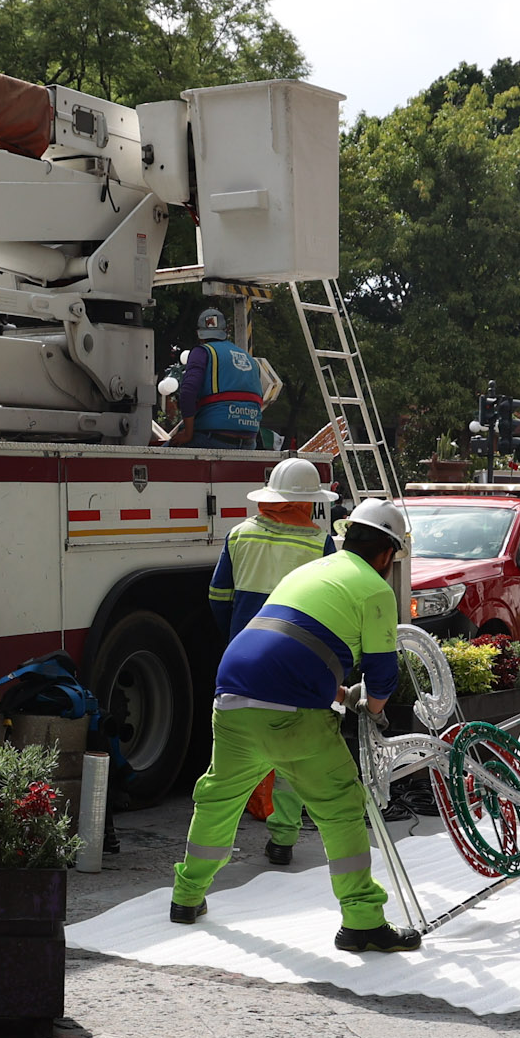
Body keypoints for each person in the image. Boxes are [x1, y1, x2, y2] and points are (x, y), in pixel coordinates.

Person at [174, 497, 420, 953]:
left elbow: (295, 643)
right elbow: (384, 676)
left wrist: (341, 693)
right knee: (341, 806)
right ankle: (363, 921)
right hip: (291, 714)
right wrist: (373, 708)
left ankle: (186, 897)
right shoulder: (373, 589)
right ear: (387, 553)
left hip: (231, 693)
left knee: (219, 798)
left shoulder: (310, 571)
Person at [207, 458, 338, 866]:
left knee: (226, 769)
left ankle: (214, 849)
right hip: (298, 665)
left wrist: (235, 637)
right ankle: (282, 838)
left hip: (242, 661)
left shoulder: (238, 536)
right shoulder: (320, 545)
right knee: (291, 755)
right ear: (310, 503)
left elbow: (218, 599)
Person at [176, 305, 282, 447]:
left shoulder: (202, 352)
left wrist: (188, 433)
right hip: (249, 441)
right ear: (225, 332)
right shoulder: (249, 358)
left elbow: (188, 392)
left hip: (213, 437)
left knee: (161, 457)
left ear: (199, 334)